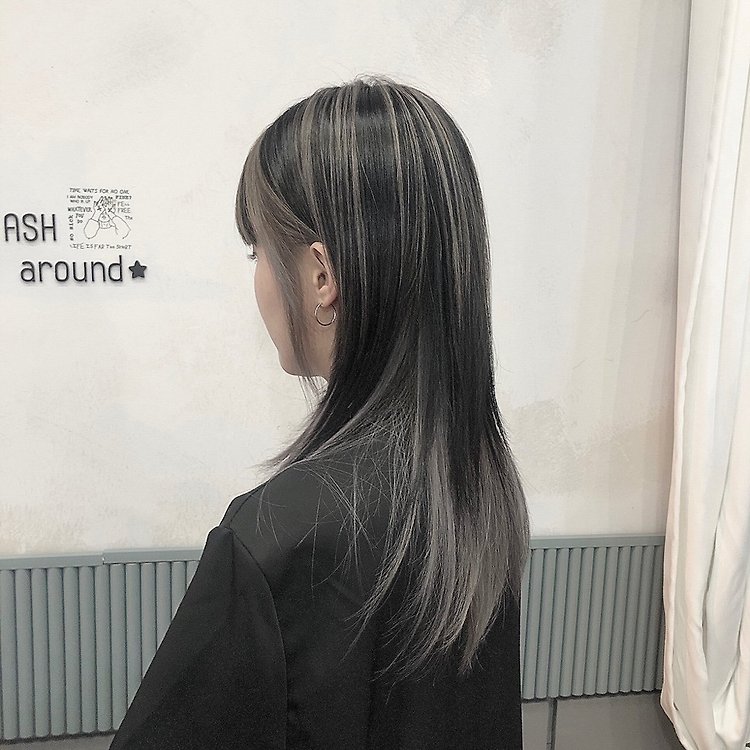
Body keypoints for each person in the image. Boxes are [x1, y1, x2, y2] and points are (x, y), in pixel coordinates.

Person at [108, 74, 530, 750]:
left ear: (321, 276)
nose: (257, 277)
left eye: (258, 250)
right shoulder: (481, 491)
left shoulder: (280, 534)